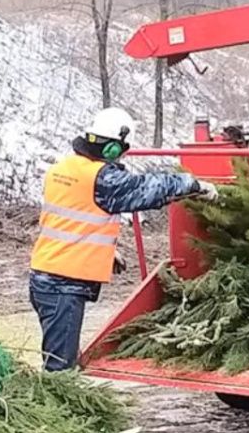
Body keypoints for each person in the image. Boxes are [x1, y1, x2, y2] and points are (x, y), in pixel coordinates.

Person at [28, 107, 218, 372]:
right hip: (63, 285)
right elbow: (145, 189)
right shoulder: (102, 178)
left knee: (62, 355)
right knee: (61, 367)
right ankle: (55, 411)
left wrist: (106, 252)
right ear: (112, 149)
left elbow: (74, 216)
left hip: (45, 275)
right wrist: (193, 184)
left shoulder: (64, 168)